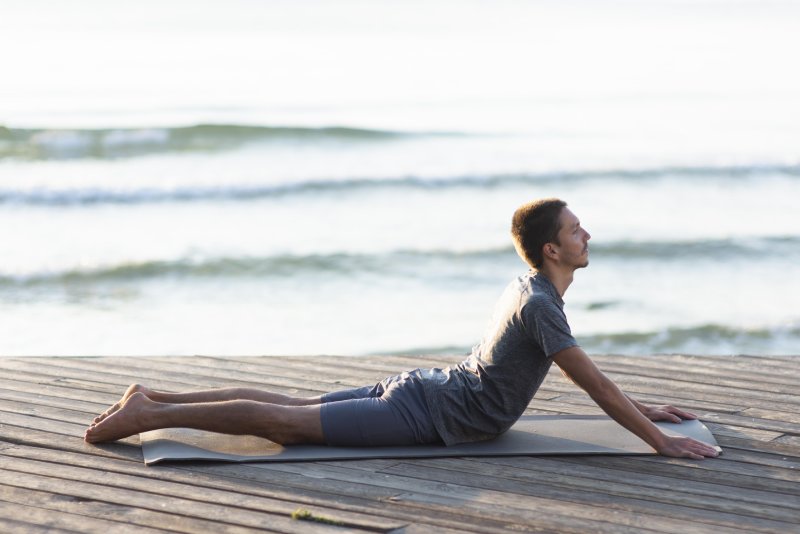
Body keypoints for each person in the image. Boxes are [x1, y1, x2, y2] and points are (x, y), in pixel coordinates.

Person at [85, 198, 719, 460]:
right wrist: (660, 442)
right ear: (552, 250)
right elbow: (595, 387)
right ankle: (144, 416)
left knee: (291, 406)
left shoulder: (528, 287)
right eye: (576, 230)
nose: (587, 236)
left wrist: (646, 409)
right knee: (286, 423)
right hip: (432, 415)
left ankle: (157, 398)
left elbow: (600, 386)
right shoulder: (542, 305)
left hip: (430, 392)